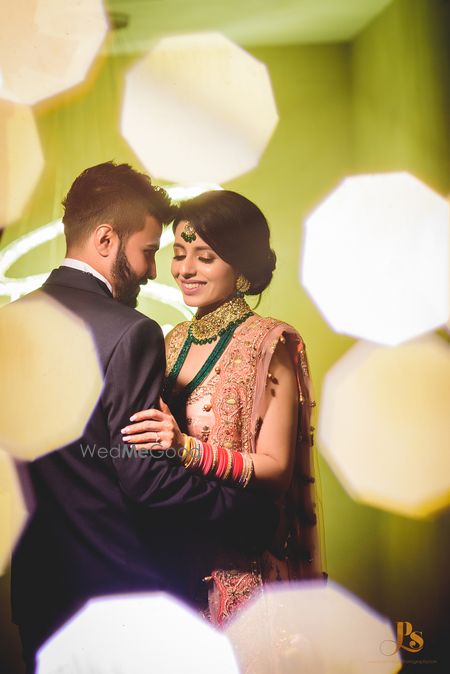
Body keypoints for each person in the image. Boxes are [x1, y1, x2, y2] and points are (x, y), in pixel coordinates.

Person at [10, 165, 278, 673]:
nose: (156, 271)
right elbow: (145, 478)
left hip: (39, 598)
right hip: (120, 598)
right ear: (106, 238)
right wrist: (246, 516)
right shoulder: (131, 332)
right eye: (150, 250)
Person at [121, 189, 324, 626]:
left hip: (239, 568)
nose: (185, 269)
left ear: (243, 268)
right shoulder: (172, 339)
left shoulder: (270, 344)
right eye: (179, 254)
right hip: (174, 561)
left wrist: (185, 448)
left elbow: (276, 469)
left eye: (205, 257)